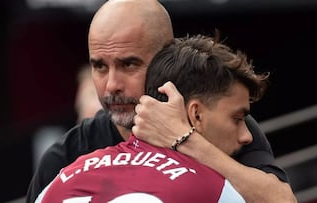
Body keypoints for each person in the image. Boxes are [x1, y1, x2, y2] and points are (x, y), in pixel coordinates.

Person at [26, 0, 296, 202]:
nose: (112, 85)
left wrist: (186, 140)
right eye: (99, 67)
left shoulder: (220, 125)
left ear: (166, 58)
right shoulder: (65, 155)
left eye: (129, 64)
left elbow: (280, 199)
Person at [35, 33, 260, 203]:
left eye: (128, 64)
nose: (247, 136)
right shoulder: (212, 189)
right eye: (237, 119)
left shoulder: (60, 179)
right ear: (196, 114)